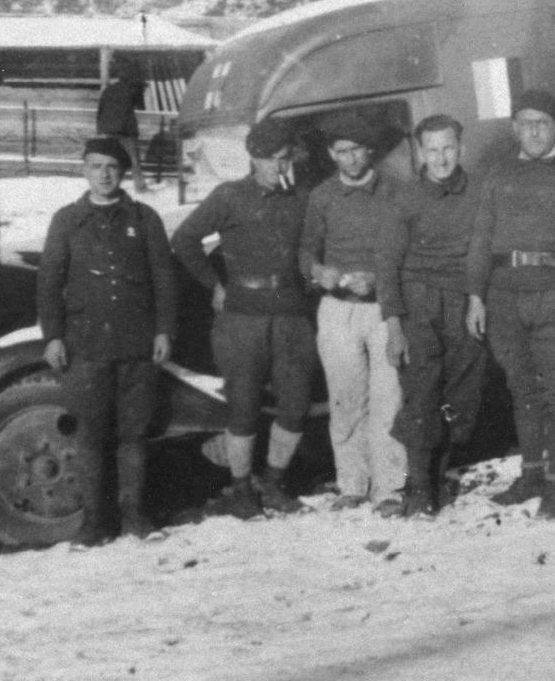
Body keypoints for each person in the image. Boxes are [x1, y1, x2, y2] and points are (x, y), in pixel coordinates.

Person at [466, 89, 555, 518]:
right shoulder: (498, 174)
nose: (533, 131)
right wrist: (475, 295)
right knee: (521, 390)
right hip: (505, 297)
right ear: (514, 128)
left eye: (542, 123)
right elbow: (480, 238)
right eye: (525, 123)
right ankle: (530, 475)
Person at [171, 118, 317, 520]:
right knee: (243, 407)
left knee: (295, 404)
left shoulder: (302, 199)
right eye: (268, 159)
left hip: (290, 315)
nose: (276, 167)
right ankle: (240, 490)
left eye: (283, 159)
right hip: (242, 317)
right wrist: (213, 285)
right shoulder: (229, 196)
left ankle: (273, 483)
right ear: (253, 158)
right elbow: (183, 240)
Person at [37, 137, 178, 540]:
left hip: (136, 342)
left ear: (123, 172)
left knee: (133, 432)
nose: (104, 175)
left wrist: (165, 329)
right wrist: (53, 336)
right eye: (96, 166)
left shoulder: (145, 218)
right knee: (92, 432)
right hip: (87, 344)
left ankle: (133, 514)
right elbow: (49, 282)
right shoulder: (67, 220)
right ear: (84, 170)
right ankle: (94, 521)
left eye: (112, 167)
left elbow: (164, 280)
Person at [376, 114, 488, 516]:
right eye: (432, 150)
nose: (441, 159)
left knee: (462, 398)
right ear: (420, 152)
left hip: (463, 302)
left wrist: (476, 299)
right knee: (422, 394)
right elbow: (386, 266)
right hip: (417, 304)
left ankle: (433, 475)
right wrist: (394, 327)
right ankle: (421, 487)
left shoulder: (479, 192)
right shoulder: (403, 199)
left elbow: (482, 250)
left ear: (461, 148)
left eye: (448, 149)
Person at [299, 112, 407, 516]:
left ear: (370, 151)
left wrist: (379, 279)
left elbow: (408, 250)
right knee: (346, 400)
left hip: (385, 308)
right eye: (341, 152)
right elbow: (306, 250)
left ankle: (391, 488)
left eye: (357, 150)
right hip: (338, 311)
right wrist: (318, 272)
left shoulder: (396, 192)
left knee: (389, 399)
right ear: (331, 154)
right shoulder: (322, 196)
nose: (350, 159)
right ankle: (352, 484)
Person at [96, 58, 147, 192]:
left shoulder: (108, 90)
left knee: (110, 160)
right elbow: (141, 107)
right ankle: (140, 187)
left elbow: (100, 110)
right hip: (125, 131)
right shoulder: (132, 91)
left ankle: (106, 186)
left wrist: (100, 129)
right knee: (134, 160)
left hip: (107, 130)